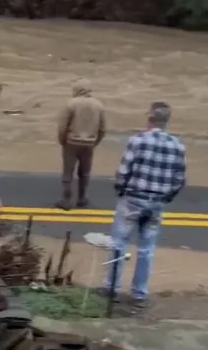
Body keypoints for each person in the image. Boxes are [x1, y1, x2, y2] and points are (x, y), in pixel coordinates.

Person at [103, 102, 186, 307]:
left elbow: (123, 171)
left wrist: (121, 190)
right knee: (146, 249)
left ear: (150, 118)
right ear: (167, 120)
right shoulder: (177, 146)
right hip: (157, 201)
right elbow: (179, 179)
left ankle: (111, 288)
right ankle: (139, 293)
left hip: (133, 198)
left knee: (119, 243)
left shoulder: (138, 140)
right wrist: (166, 197)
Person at [56, 80, 106, 209]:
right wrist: (95, 141)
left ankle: (66, 199)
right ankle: (82, 198)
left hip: (72, 142)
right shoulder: (99, 105)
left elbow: (63, 126)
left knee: (68, 172)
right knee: (84, 172)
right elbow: (102, 129)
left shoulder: (71, 104)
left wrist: (62, 141)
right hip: (89, 144)